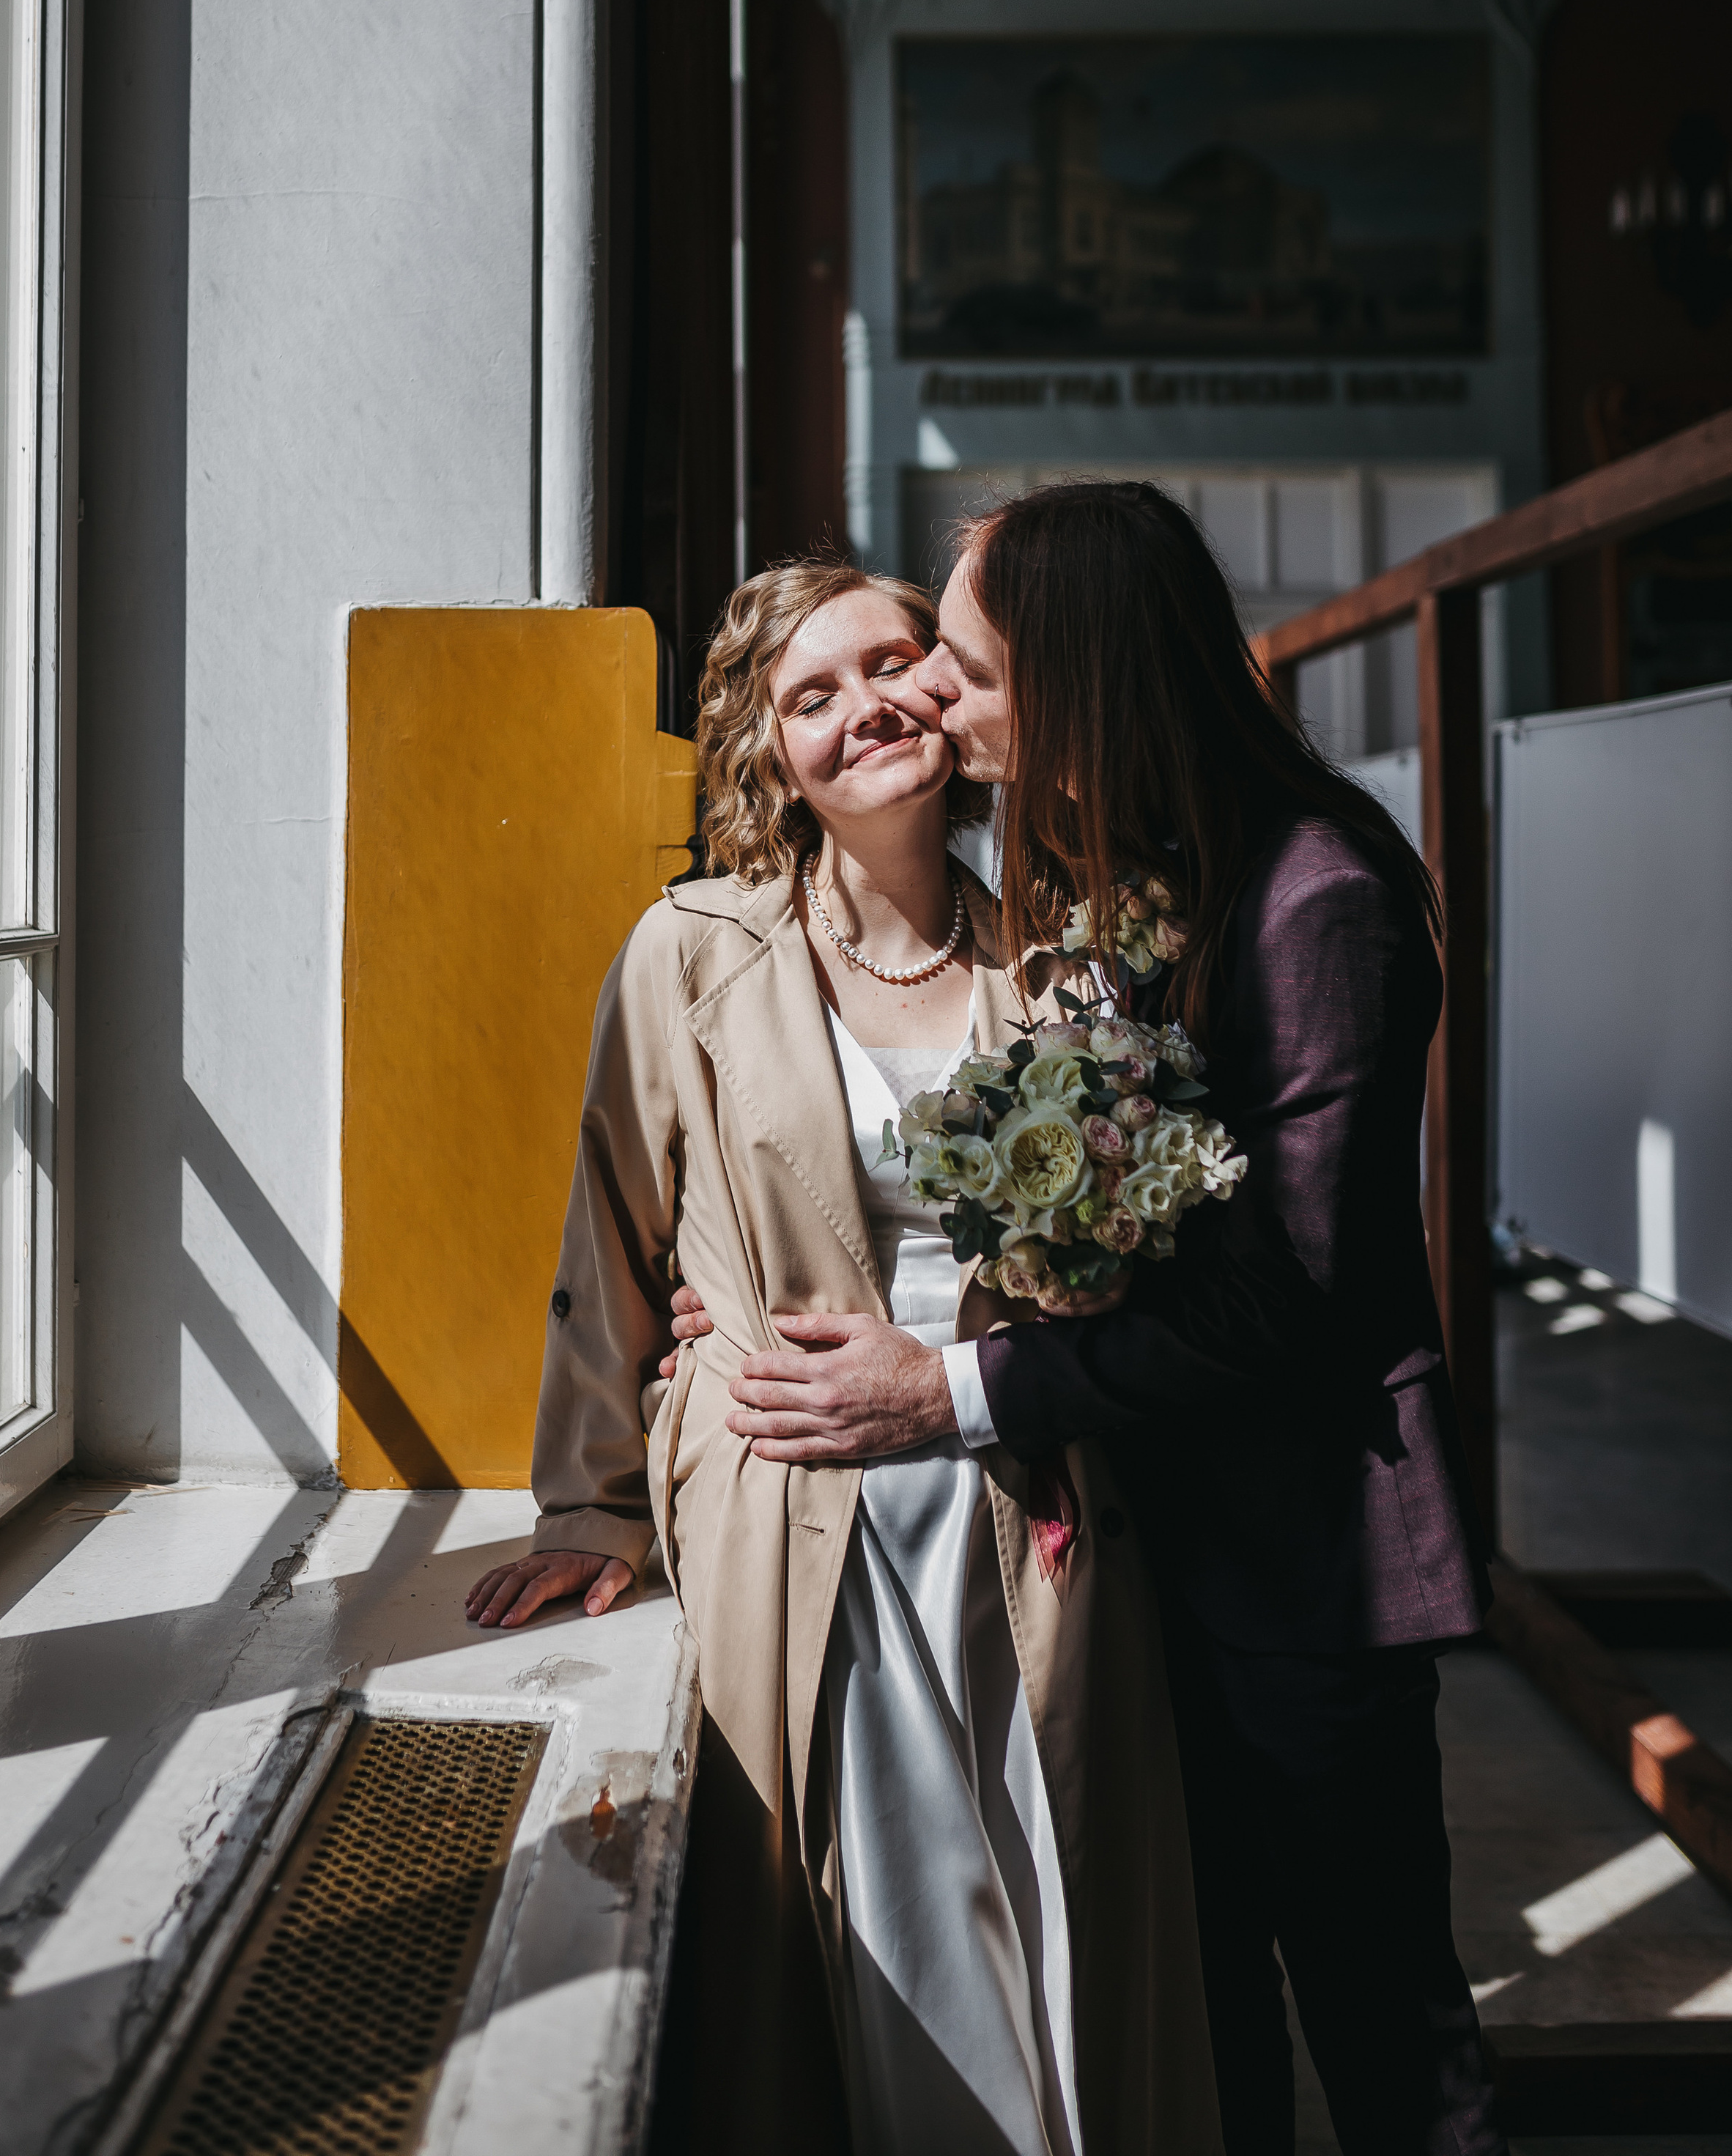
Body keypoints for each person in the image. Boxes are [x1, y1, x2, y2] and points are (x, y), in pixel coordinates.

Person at [670, 485, 1507, 2156]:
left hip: (1300, 1568)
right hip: (1141, 1555)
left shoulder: (1312, 896)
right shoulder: (1129, 870)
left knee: (1381, 2035)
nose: (938, 710)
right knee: (1196, 2035)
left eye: (965, 673)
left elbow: (1277, 1299)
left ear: (1082, 673)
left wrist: (952, 1389)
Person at [465, 555, 1222, 2156]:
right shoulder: (691, 952)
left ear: (948, 691)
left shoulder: (1068, 944)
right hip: (805, 1499)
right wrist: (586, 1505)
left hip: (1029, 1487)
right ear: (768, 751)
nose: (868, 705)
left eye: (894, 663)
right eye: (812, 695)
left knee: (1066, 1899)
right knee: (895, 1938)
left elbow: (1143, 1237)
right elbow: (609, 1233)